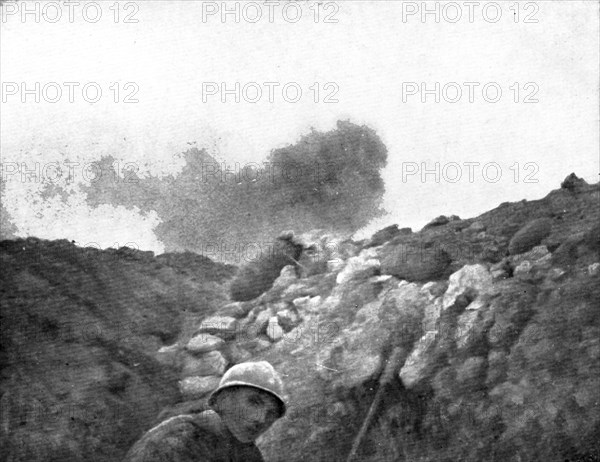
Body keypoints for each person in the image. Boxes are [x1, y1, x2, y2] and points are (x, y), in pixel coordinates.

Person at [123, 361, 286, 462]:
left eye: (271, 414)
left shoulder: (248, 454)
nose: (261, 419)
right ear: (221, 399)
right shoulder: (174, 440)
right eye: (254, 402)